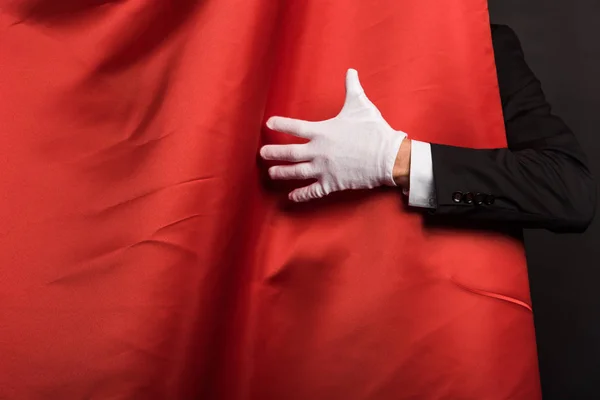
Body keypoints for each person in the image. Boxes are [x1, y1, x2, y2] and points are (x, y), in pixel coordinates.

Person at [260, 24, 596, 233]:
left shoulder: (483, 45)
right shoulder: (269, 43)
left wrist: (398, 159)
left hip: (438, 323)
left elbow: (569, 192)